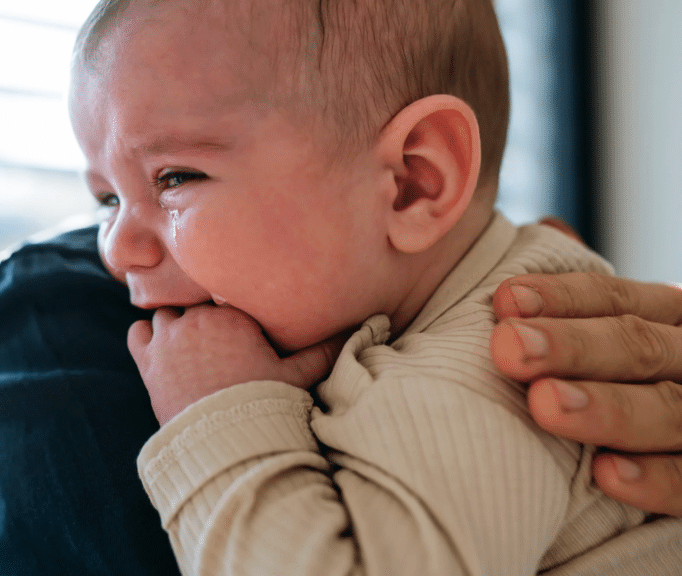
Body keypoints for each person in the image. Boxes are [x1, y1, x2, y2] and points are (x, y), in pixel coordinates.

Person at [65, 0, 681, 574]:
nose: (117, 250)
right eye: (107, 199)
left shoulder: (484, 369)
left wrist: (217, 418)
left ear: (412, 184)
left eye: (174, 177)